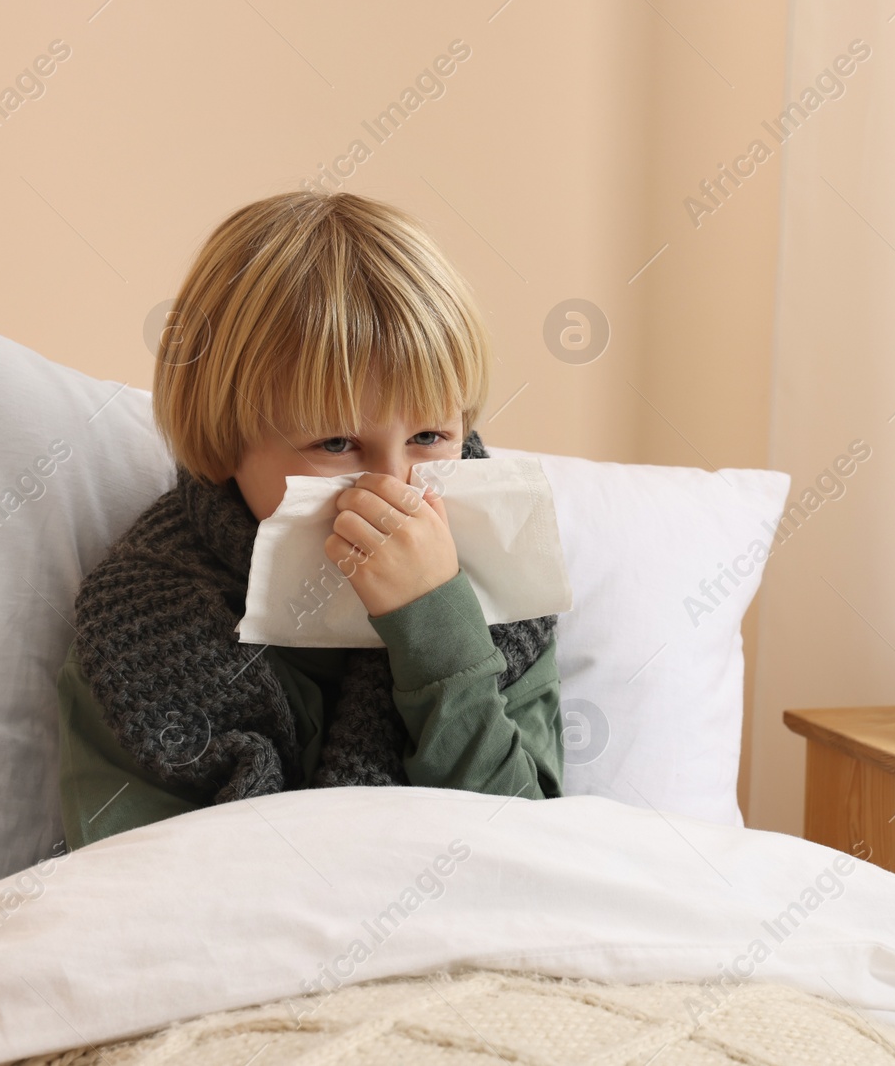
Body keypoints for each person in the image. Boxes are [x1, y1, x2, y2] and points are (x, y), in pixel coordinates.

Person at [57, 191, 562, 849]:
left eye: (431, 436)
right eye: (336, 444)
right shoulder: (139, 624)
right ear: (222, 445)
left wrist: (440, 632)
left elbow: (534, 852)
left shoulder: (504, 586)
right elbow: (130, 890)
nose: (394, 487)